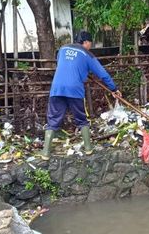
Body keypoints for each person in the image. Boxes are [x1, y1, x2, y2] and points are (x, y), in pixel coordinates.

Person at [40, 31, 121, 160]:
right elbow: (103, 74)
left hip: (57, 88)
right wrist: (114, 89)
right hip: (74, 90)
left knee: (53, 119)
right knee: (81, 118)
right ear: (86, 42)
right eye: (90, 43)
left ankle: (45, 153)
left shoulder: (62, 49)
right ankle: (88, 149)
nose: (90, 46)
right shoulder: (87, 55)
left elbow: (65, 65)